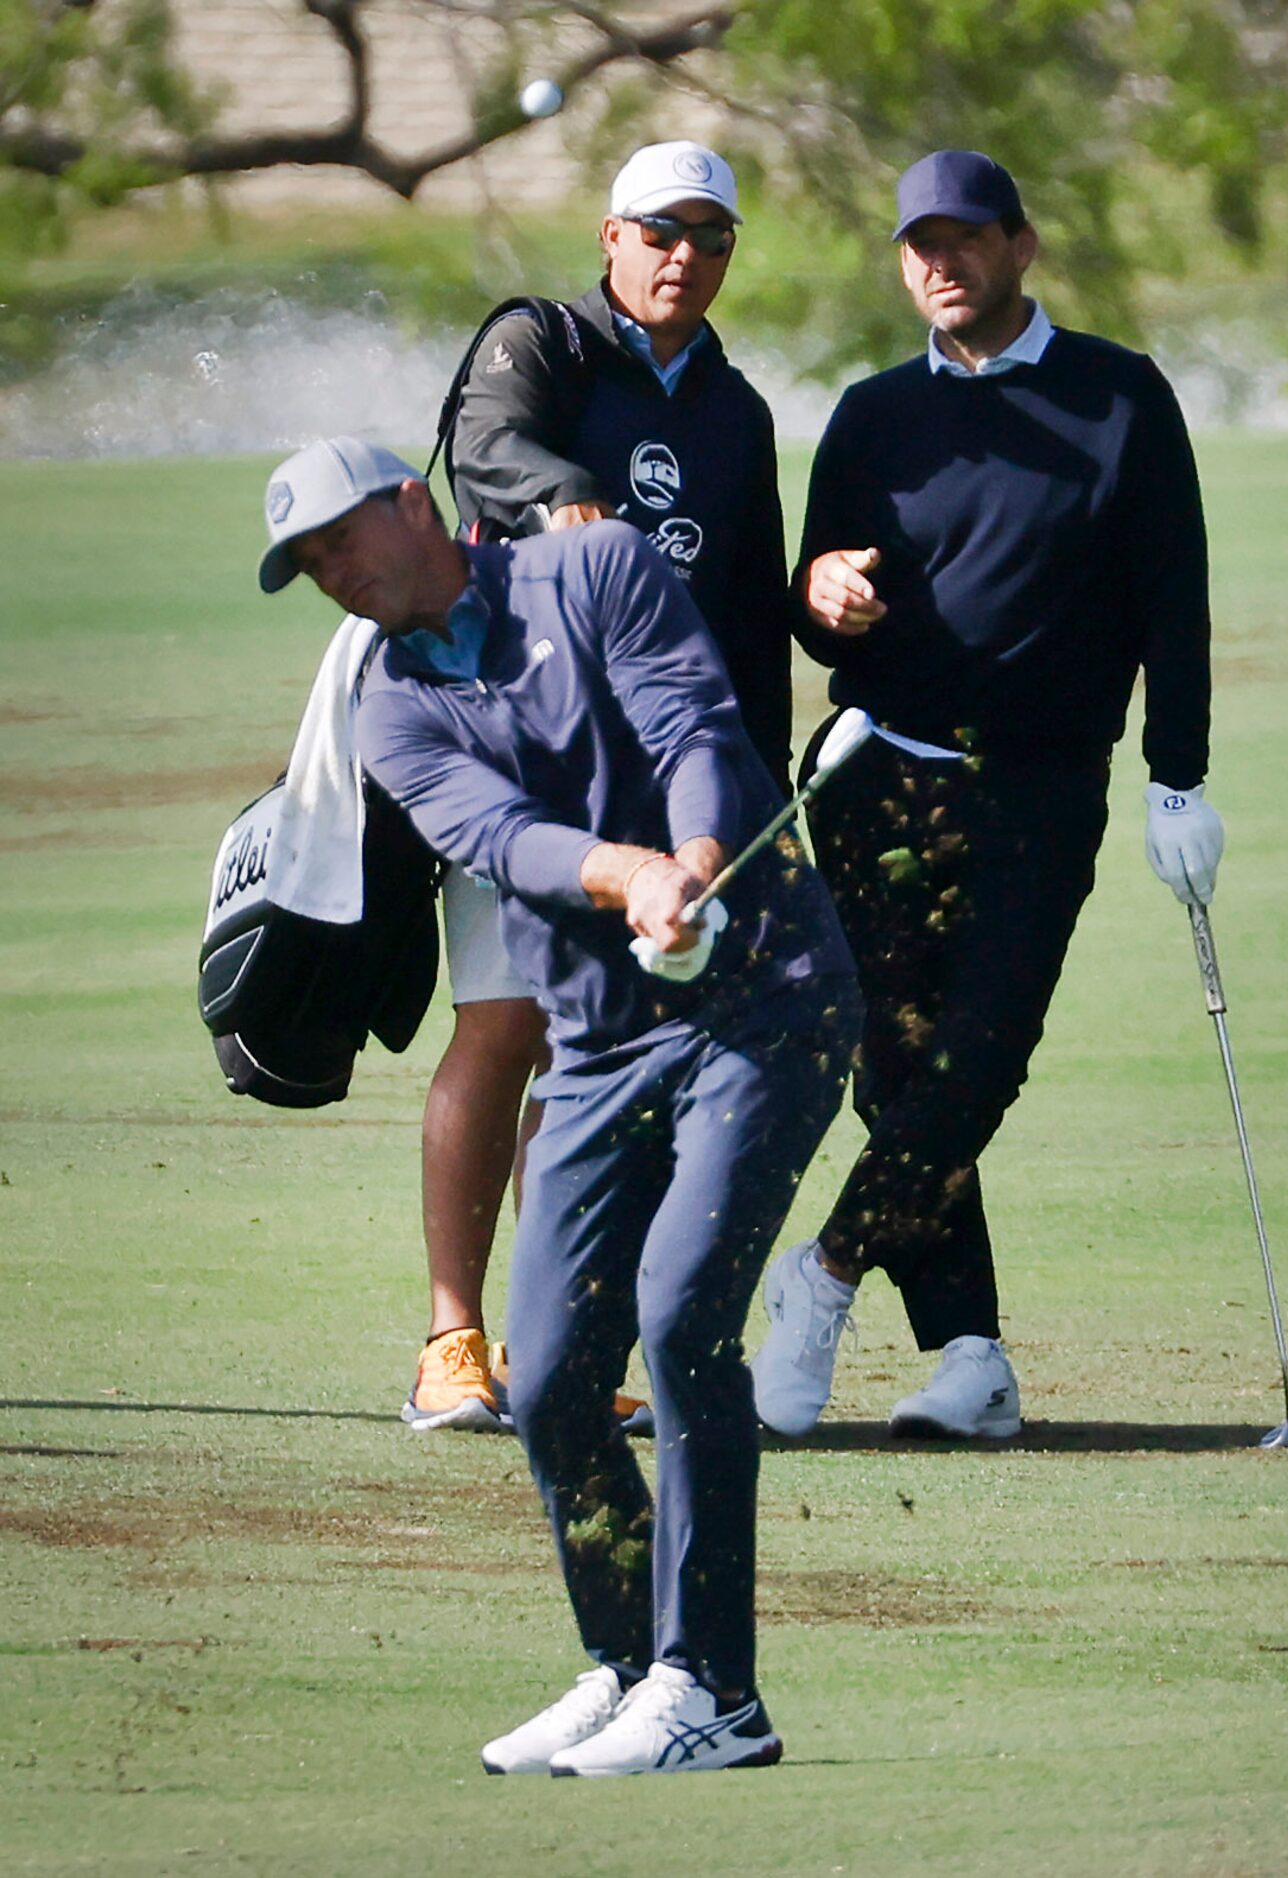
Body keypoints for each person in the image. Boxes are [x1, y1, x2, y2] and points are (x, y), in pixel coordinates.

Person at [258, 436, 859, 1775]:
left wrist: (697, 857)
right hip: (600, 1043)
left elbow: (694, 726)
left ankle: (714, 1689)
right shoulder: (388, 705)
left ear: (414, 503)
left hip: (767, 997)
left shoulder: (592, 565)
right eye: (311, 570)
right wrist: (628, 872)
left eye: (343, 543)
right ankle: (629, 1657)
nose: (336, 580)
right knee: (549, 1364)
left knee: (681, 1311)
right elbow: (500, 841)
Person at [749, 149, 1225, 1441]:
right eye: (917, 246)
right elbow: (822, 609)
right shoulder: (869, 413)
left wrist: (1174, 773)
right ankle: (969, 1356)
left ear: (1020, 246)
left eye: (963, 240)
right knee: (894, 1070)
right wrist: (821, 595)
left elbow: (1169, 599)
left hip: (1038, 790)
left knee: (978, 1062)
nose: (937, 265)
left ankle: (822, 1274)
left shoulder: (1117, 397)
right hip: (877, 781)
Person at [407, 140, 797, 1433]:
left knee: (598, 1060)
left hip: (661, 787)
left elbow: (744, 611)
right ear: (610, 235)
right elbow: (485, 448)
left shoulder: (733, 411)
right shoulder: (544, 344)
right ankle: (451, 1340)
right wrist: (574, 505)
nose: (685, 254)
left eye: (711, 235)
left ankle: (549, 1345)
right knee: (505, 1025)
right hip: (516, 748)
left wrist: (748, 790)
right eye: (660, 229)